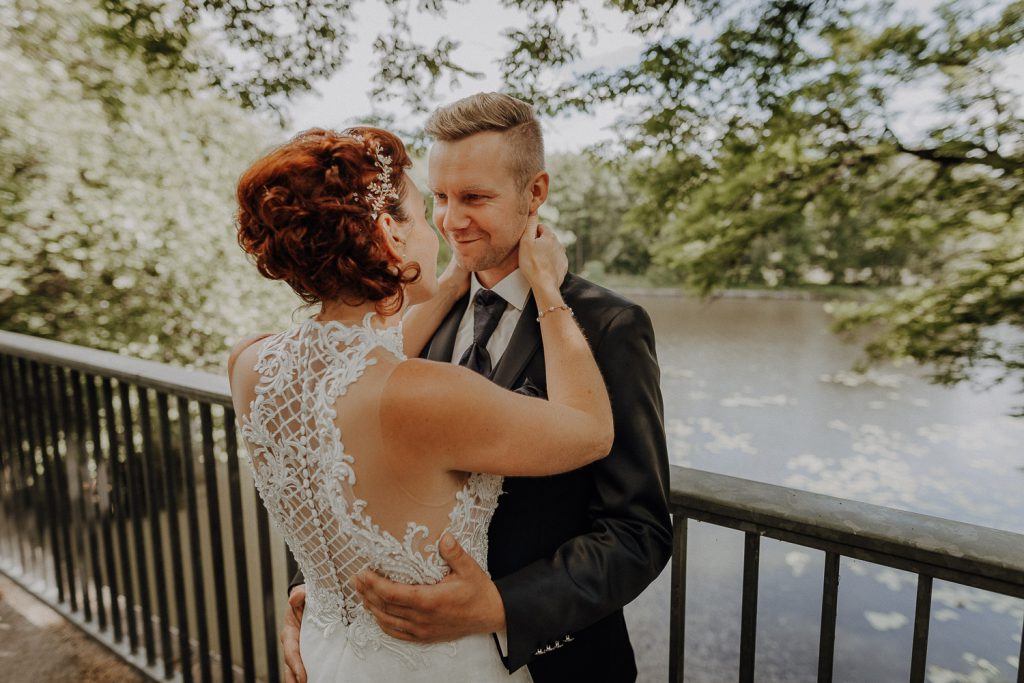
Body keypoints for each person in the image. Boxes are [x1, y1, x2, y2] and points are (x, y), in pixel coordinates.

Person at [281, 93, 673, 683]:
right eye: (439, 197)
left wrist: (502, 607)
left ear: (534, 193)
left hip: (555, 666)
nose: (450, 220)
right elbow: (337, 462)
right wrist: (318, 590)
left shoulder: (607, 326)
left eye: (475, 198)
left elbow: (638, 531)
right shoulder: (412, 316)